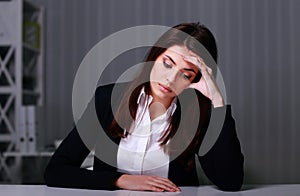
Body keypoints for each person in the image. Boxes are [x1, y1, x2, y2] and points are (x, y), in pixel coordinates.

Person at [44, 22, 244, 192]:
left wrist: (217, 100)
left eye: (186, 74)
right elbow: (56, 170)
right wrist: (120, 180)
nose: (170, 79)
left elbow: (230, 182)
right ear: (154, 57)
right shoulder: (107, 99)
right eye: (167, 63)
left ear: (196, 79)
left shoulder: (200, 114)